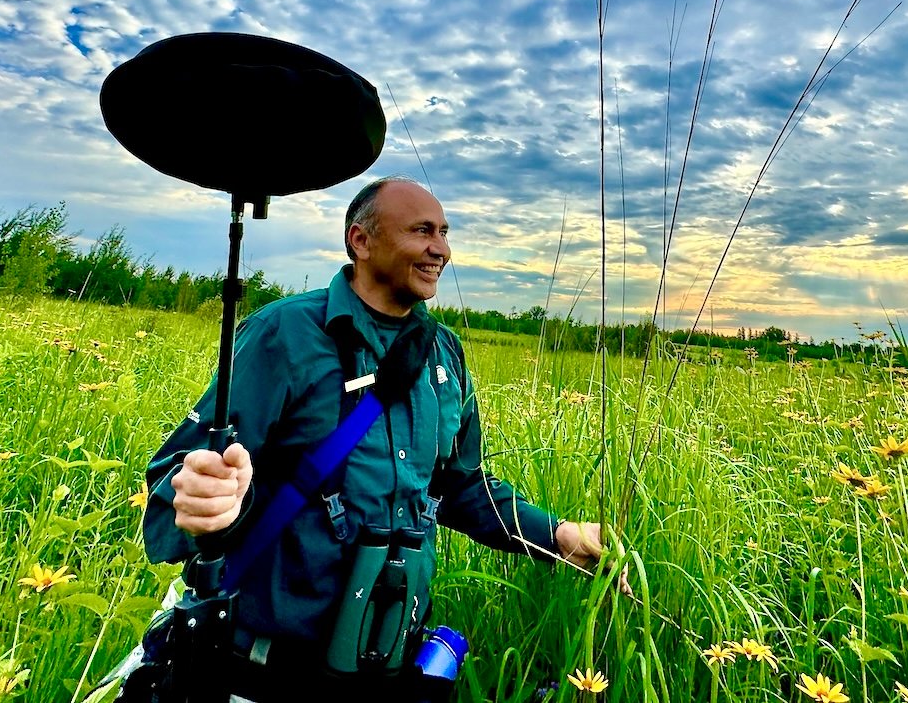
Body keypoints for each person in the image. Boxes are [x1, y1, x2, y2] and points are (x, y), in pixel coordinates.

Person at [143, 177, 610, 699]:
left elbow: (461, 486)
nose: (442, 249)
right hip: (264, 674)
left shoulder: (444, 353)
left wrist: (559, 535)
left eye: (445, 232)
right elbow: (179, 470)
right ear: (360, 241)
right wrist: (202, 498)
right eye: (422, 231)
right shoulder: (286, 333)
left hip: (386, 671)